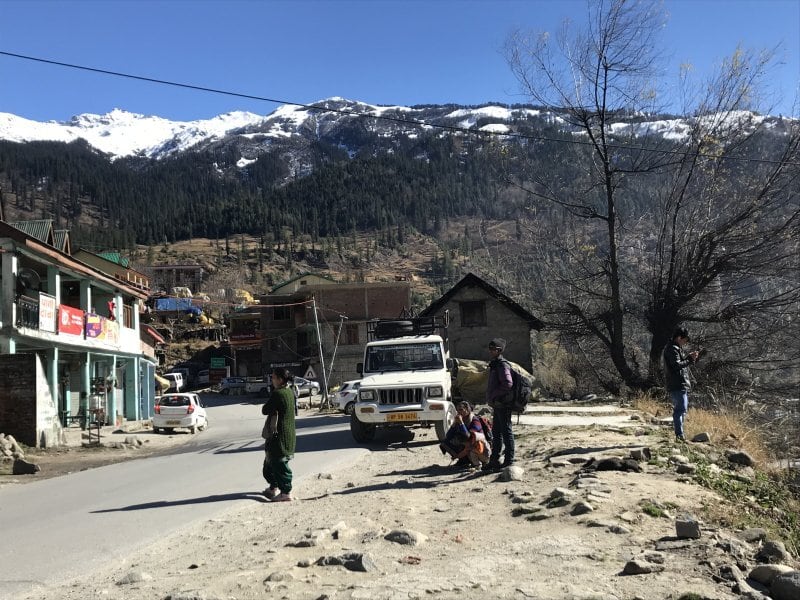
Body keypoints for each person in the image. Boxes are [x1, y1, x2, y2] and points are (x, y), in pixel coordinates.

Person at [261, 367, 297, 501]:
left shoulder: (279, 393)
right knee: (270, 463)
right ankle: (273, 488)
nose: (272, 380)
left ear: (280, 380)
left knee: (279, 464)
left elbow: (265, 410)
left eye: (274, 377)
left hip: (279, 435)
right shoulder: (289, 391)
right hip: (285, 434)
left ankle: (285, 493)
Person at [663, 326, 701, 442]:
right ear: (679, 338)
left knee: (682, 409)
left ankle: (680, 434)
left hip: (678, 384)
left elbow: (679, 363)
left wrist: (689, 358)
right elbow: (676, 366)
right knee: (680, 410)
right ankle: (679, 435)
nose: (685, 343)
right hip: (677, 384)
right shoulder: (672, 349)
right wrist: (689, 359)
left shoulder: (673, 348)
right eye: (685, 340)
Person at [483, 338, 514, 472]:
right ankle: (494, 460)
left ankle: (509, 461)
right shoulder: (495, 364)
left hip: (503, 403)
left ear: (499, 350)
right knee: (496, 432)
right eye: (490, 349)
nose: (490, 351)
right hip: (498, 404)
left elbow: (508, 383)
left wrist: (495, 395)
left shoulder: (502, 365)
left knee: (506, 432)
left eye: (493, 349)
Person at [439, 401, 491, 469]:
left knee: (467, 445)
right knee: (445, 442)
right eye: (457, 410)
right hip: (466, 443)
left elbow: (468, 436)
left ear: (467, 409)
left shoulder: (475, 420)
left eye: (461, 410)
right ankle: (463, 460)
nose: (459, 412)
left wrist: (461, 423)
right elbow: (448, 436)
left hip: (477, 446)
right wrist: (454, 424)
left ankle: (475, 462)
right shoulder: (459, 420)